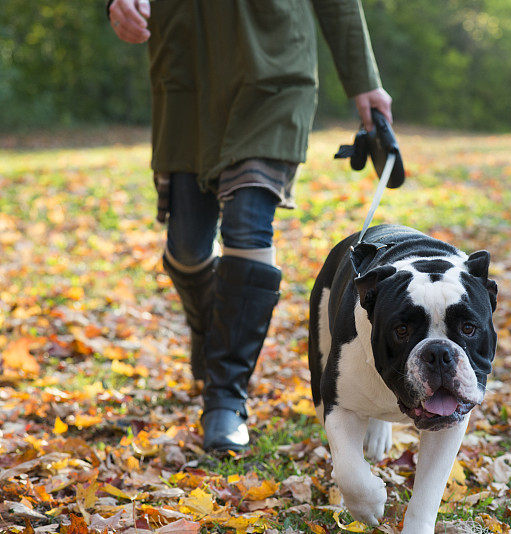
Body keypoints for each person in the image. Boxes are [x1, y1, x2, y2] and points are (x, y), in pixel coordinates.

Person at [107, 0, 392, 452]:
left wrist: (363, 81)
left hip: (273, 67)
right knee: (186, 248)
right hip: (186, 70)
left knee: (247, 224)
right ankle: (214, 331)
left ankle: (225, 396)